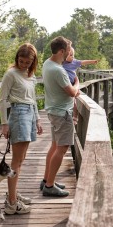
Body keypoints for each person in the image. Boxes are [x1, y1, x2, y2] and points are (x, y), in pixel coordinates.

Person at [0, 43, 43, 215]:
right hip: (18, 114)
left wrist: (38, 120)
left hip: (30, 114)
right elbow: (2, 100)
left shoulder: (30, 75)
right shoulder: (11, 74)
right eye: (21, 61)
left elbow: (33, 99)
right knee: (16, 161)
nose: (24, 64)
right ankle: (11, 203)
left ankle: (13, 194)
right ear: (17, 58)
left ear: (33, 61)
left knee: (21, 158)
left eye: (27, 62)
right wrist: (4, 124)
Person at [40, 36, 80, 197]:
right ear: (62, 51)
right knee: (61, 149)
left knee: (54, 146)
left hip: (53, 111)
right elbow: (72, 92)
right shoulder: (59, 70)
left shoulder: (47, 64)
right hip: (62, 114)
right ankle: (49, 186)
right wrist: (77, 82)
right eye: (68, 51)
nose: (69, 55)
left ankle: (46, 180)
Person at [62, 47, 98, 124]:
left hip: (72, 83)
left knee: (74, 101)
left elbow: (83, 62)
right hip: (64, 84)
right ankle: (65, 115)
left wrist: (92, 61)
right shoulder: (61, 62)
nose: (72, 57)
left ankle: (75, 117)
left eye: (73, 55)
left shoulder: (74, 62)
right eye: (70, 55)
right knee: (65, 100)